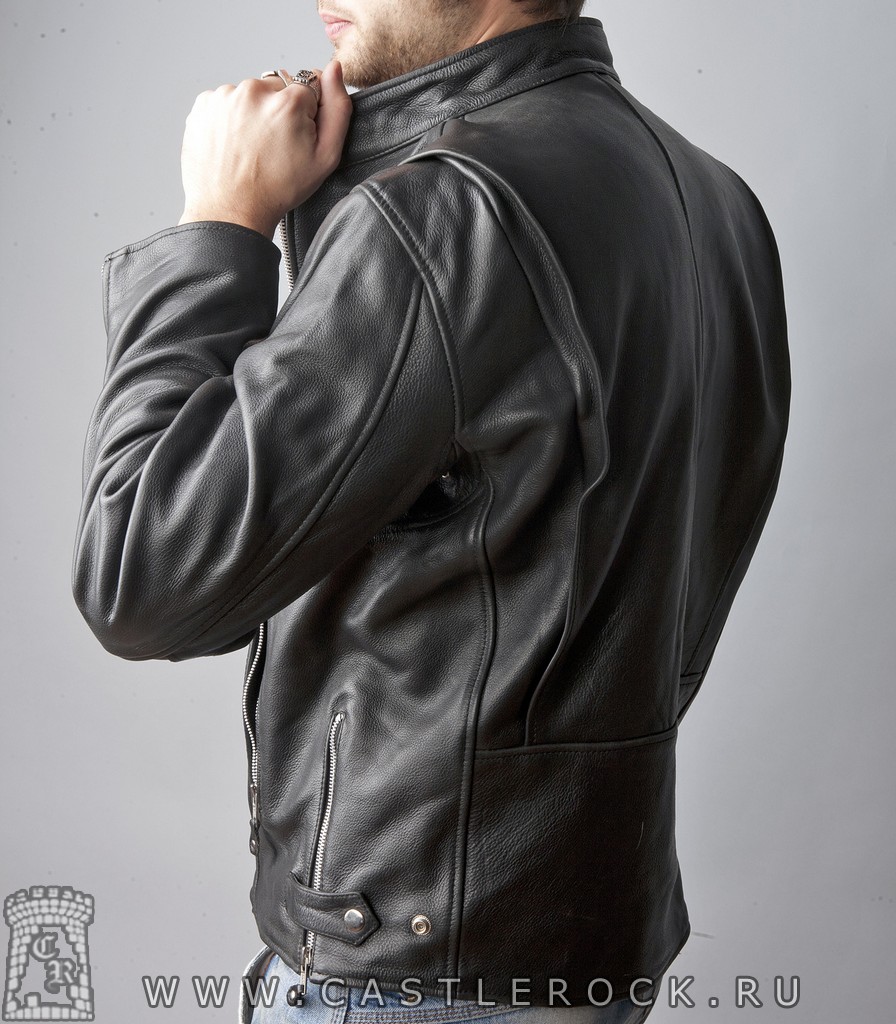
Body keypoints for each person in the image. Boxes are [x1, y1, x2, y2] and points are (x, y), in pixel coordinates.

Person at [71, 1, 791, 1022]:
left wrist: (220, 224)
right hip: (590, 941)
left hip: (410, 970)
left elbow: (141, 574)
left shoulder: (445, 211)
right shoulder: (715, 201)